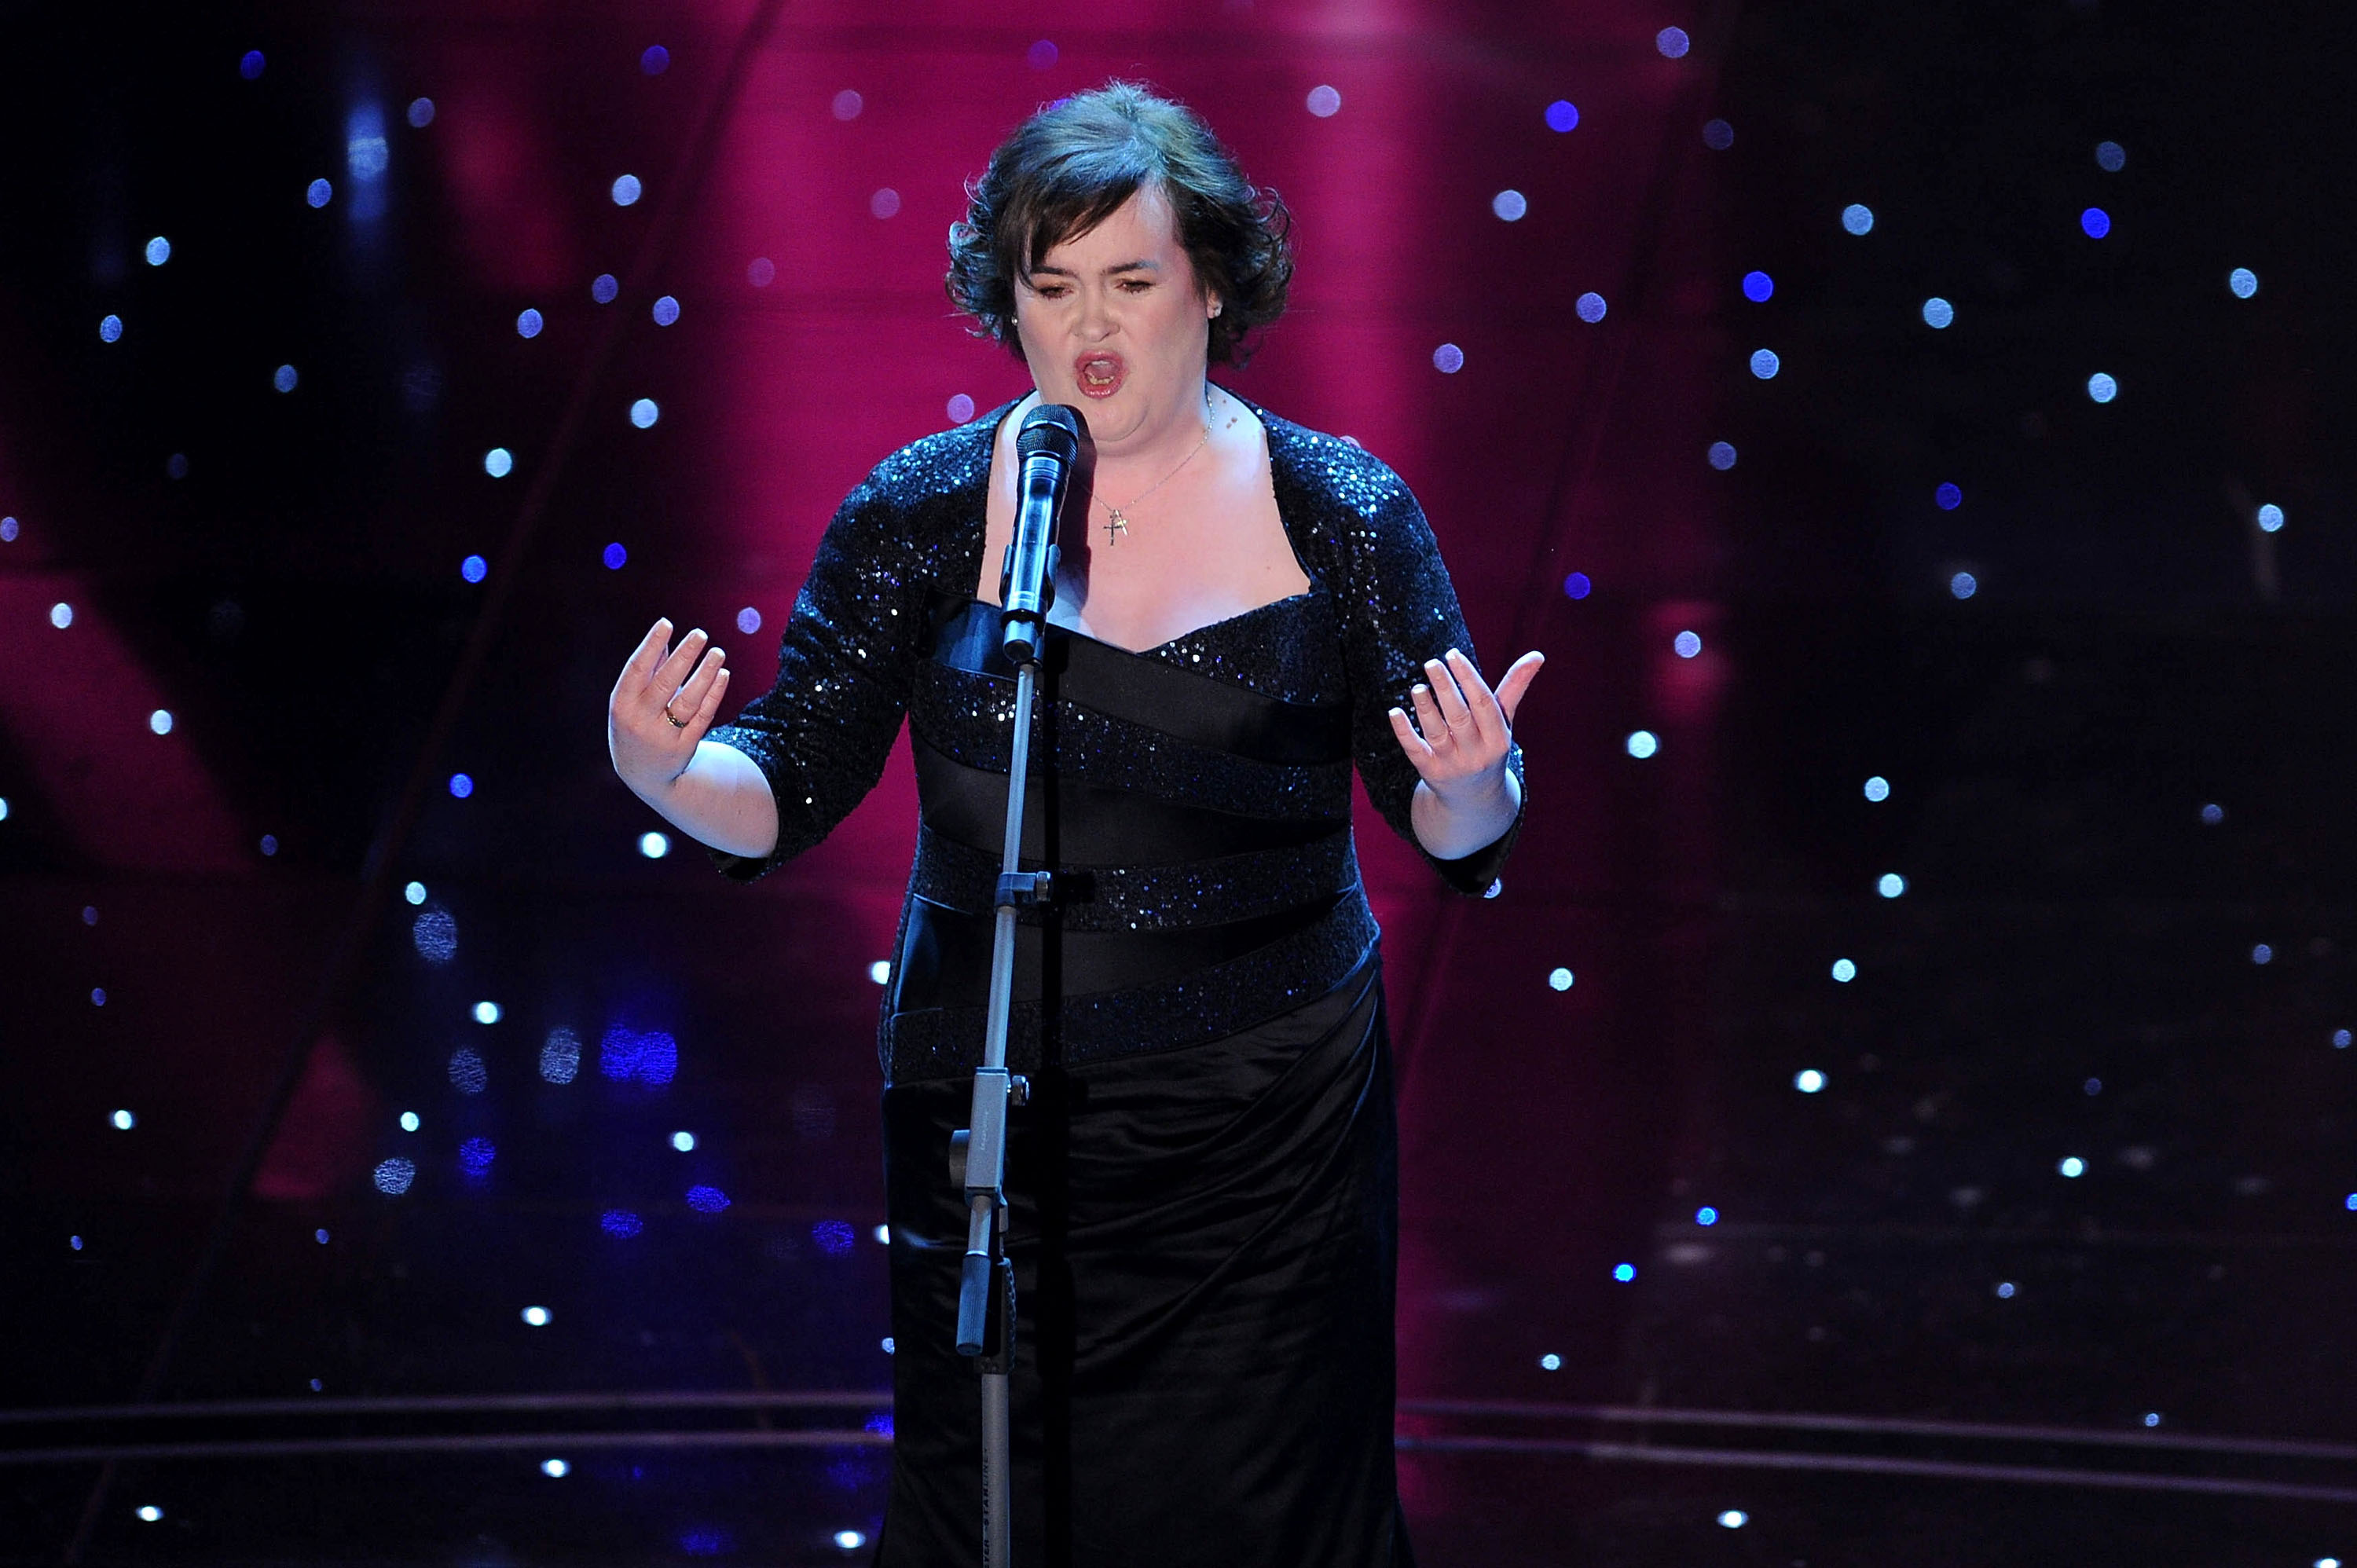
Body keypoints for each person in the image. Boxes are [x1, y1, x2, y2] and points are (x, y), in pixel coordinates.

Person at [607, 82, 1541, 1568]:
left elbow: (1449, 824)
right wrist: (666, 770)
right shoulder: (923, 513)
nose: (1088, 326)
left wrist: (1473, 779)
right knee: (998, 1504)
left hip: (1266, 1132)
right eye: (1051, 287)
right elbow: (786, 780)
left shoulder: (1340, 514)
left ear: (1213, 287)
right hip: (992, 1119)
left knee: (1261, 1515)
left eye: (1129, 280)